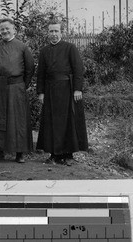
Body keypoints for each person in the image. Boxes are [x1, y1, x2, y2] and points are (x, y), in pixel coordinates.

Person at [36, 20, 88, 165]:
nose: (53, 34)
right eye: (51, 31)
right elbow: (40, 74)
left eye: (56, 31)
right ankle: (54, 155)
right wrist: (40, 92)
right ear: (48, 33)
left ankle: (68, 155)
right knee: (51, 122)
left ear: (61, 32)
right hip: (50, 90)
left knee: (68, 122)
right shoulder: (44, 51)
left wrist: (77, 89)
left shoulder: (70, 48)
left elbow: (78, 69)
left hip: (67, 89)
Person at [0, 18, 35, 163]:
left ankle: (20, 153)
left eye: (7, 28)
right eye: (2, 29)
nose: (5, 31)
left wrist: (20, 85)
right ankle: (0, 151)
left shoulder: (22, 47)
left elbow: (30, 68)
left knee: (17, 121)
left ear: (14, 30)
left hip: (16, 87)